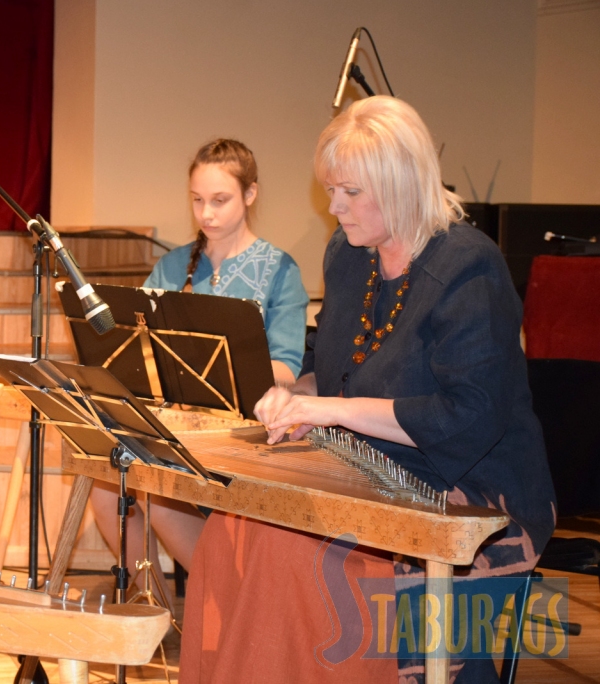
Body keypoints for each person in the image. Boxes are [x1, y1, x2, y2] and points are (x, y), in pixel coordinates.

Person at [180, 97, 556, 684]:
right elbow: (330, 371)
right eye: (331, 190)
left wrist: (324, 407)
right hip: (367, 465)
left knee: (289, 553)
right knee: (235, 526)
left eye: (349, 192)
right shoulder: (350, 254)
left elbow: (466, 416)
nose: (334, 207)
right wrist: (294, 396)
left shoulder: (467, 269)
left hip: (471, 494)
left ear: (400, 183)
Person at [91, 139, 309, 604]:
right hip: (178, 425)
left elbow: (287, 368)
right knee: (106, 489)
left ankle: (229, 605)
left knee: (165, 496)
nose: (206, 213)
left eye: (219, 200)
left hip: (245, 430)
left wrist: (229, 376)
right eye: (197, 200)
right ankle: (154, 612)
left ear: (251, 194)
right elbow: (135, 348)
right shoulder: (173, 266)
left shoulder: (279, 270)